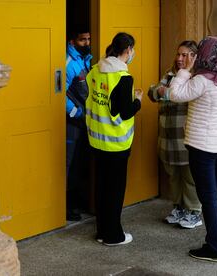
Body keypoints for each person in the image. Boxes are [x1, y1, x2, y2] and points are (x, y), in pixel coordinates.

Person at [158, 36, 217, 262]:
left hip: (203, 147)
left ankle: (215, 247)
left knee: (209, 196)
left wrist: (185, 71)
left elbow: (175, 94)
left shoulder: (203, 80)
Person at [85, 32, 143, 246]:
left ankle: (102, 231)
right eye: (132, 50)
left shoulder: (95, 71)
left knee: (101, 187)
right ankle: (113, 236)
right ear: (127, 50)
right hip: (117, 144)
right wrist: (138, 101)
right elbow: (125, 112)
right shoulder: (123, 77)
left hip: (97, 140)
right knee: (115, 191)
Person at [148, 40, 202, 229]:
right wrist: (160, 90)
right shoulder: (170, 74)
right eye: (178, 54)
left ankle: (194, 211)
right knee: (173, 175)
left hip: (186, 137)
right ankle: (178, 207)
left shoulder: (198, 77)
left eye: (185, 55)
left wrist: (166, 92)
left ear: (194, 57)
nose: (180, 58)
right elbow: (154, 91)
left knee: (190, 177)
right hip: (167, 136)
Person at [65, 28, 92, 221]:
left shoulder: (87, 60)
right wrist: (75, 113)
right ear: (73, 42)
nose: (87, 43)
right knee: (71, 163)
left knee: (82, 163)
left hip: (87, 122)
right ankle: (68, 206)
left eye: (89, 39)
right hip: (73, 122)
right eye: (83, 40)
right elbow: (59, 91)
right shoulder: (68, 62)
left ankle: (80, 202)